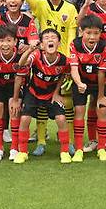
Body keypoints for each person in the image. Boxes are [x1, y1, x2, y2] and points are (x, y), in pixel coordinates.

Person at [25, 0, 79, 156]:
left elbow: (72, 35)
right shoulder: (40, 5)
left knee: (66, 102)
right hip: (43, 60)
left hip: (62, 61)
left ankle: (69, 141)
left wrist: (70, 57)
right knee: (41, 99)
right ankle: (41, 141)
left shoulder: (70, 9)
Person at [14, 29, 72, 164]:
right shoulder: (36, 55)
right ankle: (22, 152)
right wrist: (29, 50)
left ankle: (64, 152)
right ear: (42, 44)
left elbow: (63, 75)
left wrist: (57, 92)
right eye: (46, 38)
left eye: (53, 38)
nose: (50, 40)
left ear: (58, 43)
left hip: (51, 95)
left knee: (61, 118)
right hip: (33, 93)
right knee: (25, 119)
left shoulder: (64, 60)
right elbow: (22, 64)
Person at [69, 15, 106, 161]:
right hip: (81, 81)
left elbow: (102, 71)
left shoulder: (104, 46)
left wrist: (100, 95)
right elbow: (74, 67)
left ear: (101, 32)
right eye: (88, 33)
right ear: (81, 31)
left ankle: (101, 148)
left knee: (102, 109)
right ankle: (79, 149)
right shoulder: (74, 44)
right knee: (79, 111)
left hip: (99, 83)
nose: (92, 37)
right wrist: (79, 83)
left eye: (96, 33)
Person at [0, 24, 28, 161]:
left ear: (15, 42)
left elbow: (19, 78)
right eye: (2, 41)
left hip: (14, 85)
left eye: (9, 40)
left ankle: (15, 148)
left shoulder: (20, 55)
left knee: (14, 109)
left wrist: (15, 99)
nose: (5, 44)